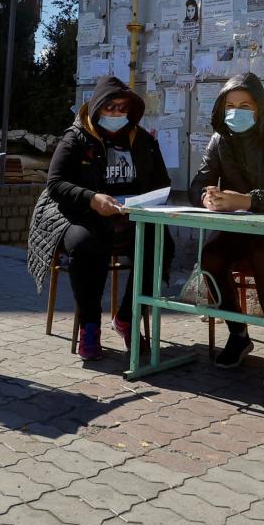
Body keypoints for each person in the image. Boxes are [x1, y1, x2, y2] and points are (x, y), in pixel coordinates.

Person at [38, 75, 175, 360]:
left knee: (161, 244)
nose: (116, 113)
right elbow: (56, 183)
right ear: (97, 107)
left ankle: (127, 317)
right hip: (82, 216)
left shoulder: (144, 142)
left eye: (122, 108)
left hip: (130, 217)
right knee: (88, 244)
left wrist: (143, 204)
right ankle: (90, 324)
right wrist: (91, 198)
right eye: (109, 107)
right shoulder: (76, 138)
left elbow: (162, 183)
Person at [189, 73, 264, 387]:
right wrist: (207, 198)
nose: (236, 112)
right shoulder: (219, 140)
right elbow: (197, 183)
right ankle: (238, 333)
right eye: (230, 106)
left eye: (245, 105)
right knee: (210, 257)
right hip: (234, 227)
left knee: (263, 258)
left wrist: (248, 200)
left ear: (260, 108)